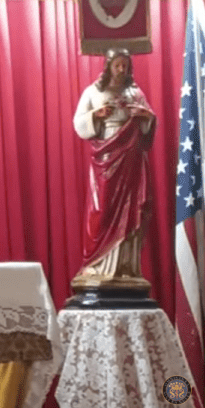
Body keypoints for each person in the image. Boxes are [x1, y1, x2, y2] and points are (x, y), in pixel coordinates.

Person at [71, 48, 155, 287]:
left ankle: (125, 266)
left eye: (125, 66)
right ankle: (97, 263)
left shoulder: (135, 92)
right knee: (103, 207)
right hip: (106, 154)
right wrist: (97, 114)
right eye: (117, 65)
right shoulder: (93, 92)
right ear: (108, 66)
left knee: (131, 207)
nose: (121, 70)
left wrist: (145, 115)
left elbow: (149, 120)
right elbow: (79, 122)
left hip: (131, 155)